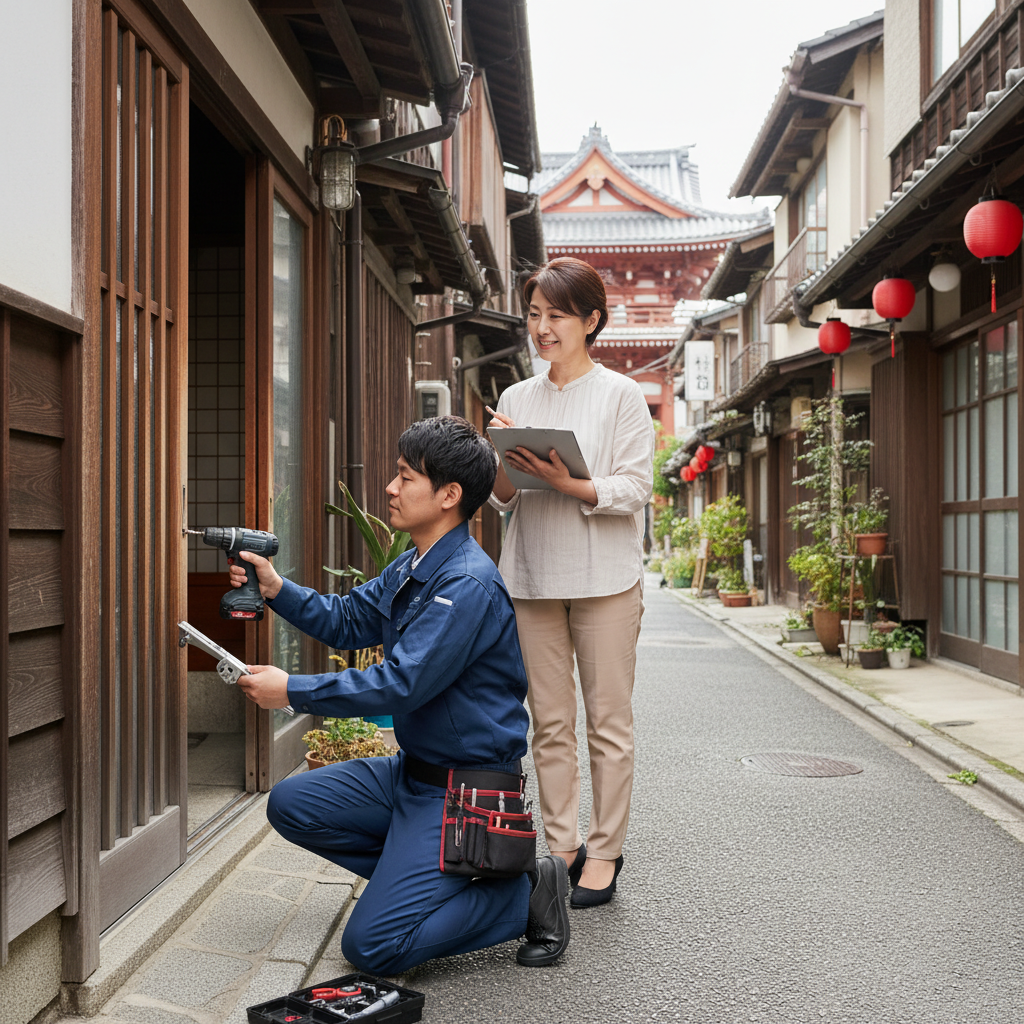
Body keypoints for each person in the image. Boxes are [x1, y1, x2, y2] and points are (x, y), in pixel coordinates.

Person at [232, 416, 571, 974]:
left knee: (373, 947)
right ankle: (419, 879)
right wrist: (274, 588)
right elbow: (346, 619)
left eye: (405, 476)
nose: (390, 488)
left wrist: (292, 690)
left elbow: (401, 683)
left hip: (463, 791)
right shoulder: (415, 564)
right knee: (292, 804)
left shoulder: (465, 582)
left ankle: (522, 892)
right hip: (413, 774)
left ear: (448, 495)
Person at [488, 257, 654, 908]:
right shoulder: (516, 398)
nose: (542, 327)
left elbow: (637, 487)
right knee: (549, 724)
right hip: (531, 575)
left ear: (591, 320)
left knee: (608, 724)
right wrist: (502, 456)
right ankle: (560, 848)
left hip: (606, 579)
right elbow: (501, 499)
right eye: (534, 315)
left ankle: (604, 851)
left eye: (557, 315)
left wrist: (568, 482)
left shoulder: (621, 395)